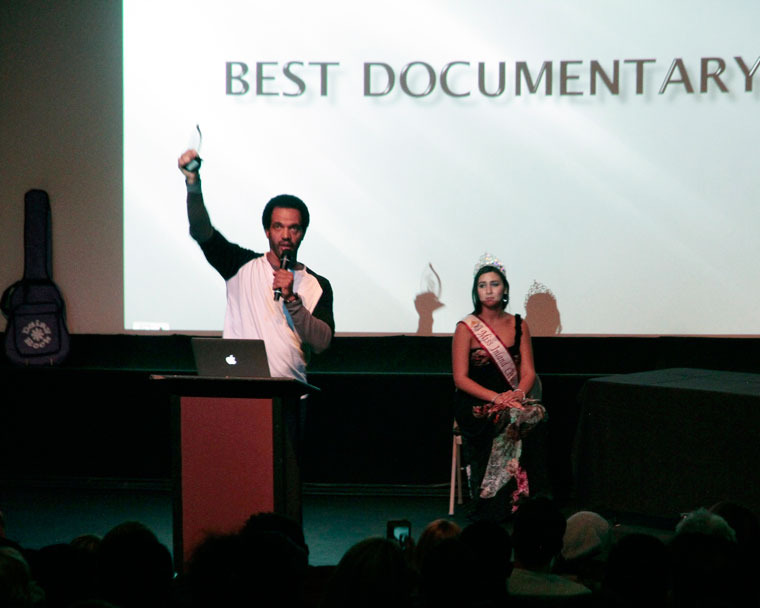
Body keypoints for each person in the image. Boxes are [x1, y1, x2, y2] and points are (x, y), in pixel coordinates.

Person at [177, 149, 335, 383]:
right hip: (239, 387)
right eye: (279, 227)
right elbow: (201, 231)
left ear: (302, 233)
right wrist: (193, 183)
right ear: (267, 231)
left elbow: (322, 343)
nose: (286, 236)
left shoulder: (317, 284)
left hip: (288, 394)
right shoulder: (240, 265)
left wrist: (292, 300)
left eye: (293, 228)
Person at [452, 253, 547, 522]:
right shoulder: (466, 328)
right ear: (475, 290)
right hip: (476, 401)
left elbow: (528, 371)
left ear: (504, 288)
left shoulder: (519, 324)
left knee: (535, 414)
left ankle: (528, 499)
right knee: (505, 415)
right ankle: (494, 501)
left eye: (494, 284)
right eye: (482, 285)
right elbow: (461, 379)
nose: (488, 290)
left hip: (514, 397)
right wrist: (498, 398)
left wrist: (517, 394)